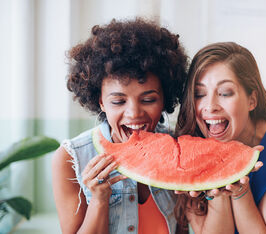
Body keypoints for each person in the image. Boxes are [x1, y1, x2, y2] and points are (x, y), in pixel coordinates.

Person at [51, 18, 188, 234]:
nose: (134, 113)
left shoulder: (178, 149)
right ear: (101, 101)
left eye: (148, 99)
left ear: (164, 98)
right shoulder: (71, 158)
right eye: (118, 101)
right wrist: (99, 199)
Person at [174, 42, 266, 234]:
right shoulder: (188, 142)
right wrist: (218, 187)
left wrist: (240, 190)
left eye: (225, 93)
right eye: (199, 94)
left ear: (252, 100)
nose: (210, 105)